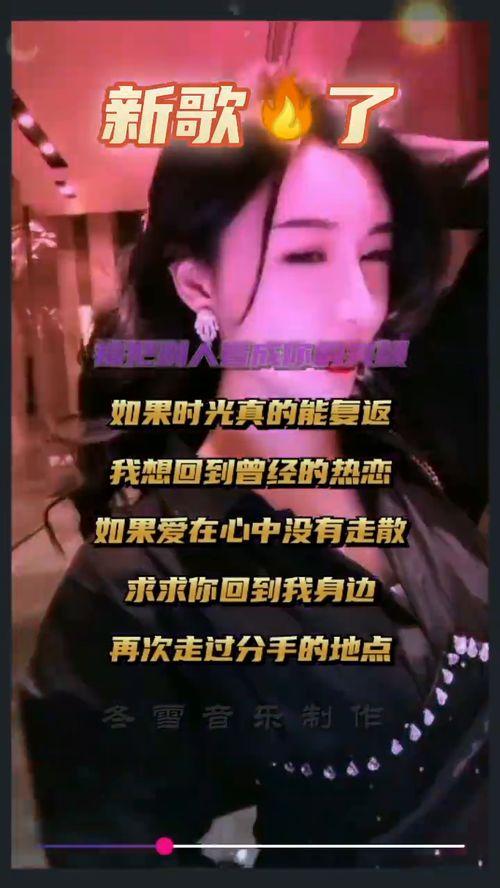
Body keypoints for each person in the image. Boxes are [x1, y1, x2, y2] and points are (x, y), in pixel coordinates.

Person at [19, 95, 488, 869]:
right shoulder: (140, 586)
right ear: (198, 285)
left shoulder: (414, 438)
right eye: (305, 255)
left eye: (374, 253)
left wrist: (344, 136)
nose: (359, 306)